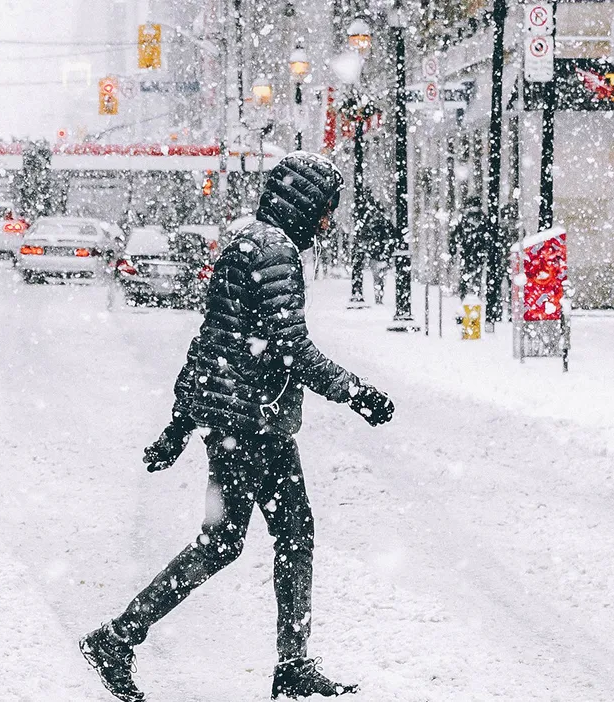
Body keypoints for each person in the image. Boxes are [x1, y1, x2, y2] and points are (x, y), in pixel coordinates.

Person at [80, 153, 396, 701]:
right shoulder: (274, 253)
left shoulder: (247, 245)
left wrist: (180, 426)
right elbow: (290, 349)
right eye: (324, 211)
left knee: (234, 541)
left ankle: (122, 637)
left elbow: (208, 345)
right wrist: (357, 393)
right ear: (302, 205)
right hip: (255, 422)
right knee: (279, 537)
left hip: (235, 421)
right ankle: (280, 661)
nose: (326, 223)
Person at [349, 196, 397, 305]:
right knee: (380, 277)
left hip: (376, 255)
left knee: (377, 277)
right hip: (381, 255)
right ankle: (379, 294)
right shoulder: (385, 225)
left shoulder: (372, 225)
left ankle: (378, 294)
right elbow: (391, 238)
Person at [450, 196, 489, 300]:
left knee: (473, 273)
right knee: (467, 272)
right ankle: (466, 294)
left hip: (475, 250)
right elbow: (457, 233)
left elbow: (485, 234)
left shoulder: (480, 218)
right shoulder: (466, 218)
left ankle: (471, 294)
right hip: (468, 250)